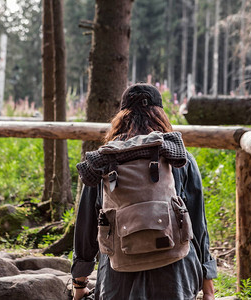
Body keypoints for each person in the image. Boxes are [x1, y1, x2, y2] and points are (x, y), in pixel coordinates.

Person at [71, 83, 217, 300]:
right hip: (175, 273)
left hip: (118, 275)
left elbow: (87, 227)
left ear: (121, 117)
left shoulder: (102, 161)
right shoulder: (179, 157)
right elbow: (197, 224)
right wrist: (208, 287)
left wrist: (79, 283)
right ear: (160, 115)